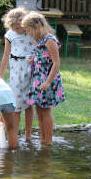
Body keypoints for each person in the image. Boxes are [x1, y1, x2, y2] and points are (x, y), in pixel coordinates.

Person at [21, 12, 65, 145]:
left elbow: (56, 63)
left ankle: (49, 141)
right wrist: (34, 59)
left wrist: (47, 82)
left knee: (45, 112)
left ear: (36, 26)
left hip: (47, 81)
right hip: (38, 80)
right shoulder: (40, 40)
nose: (28, 33)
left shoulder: (49, 40)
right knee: (39, 111)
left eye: (28, 30)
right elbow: (43, 56)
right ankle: (42, 140)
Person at [0, 7, 36, 141]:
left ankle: (28, 135)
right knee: (16, 104)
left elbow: (40, 48)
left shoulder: (31, 32)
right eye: (13, 27)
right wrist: (1, 76)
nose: (16, 29)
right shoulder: (10, 35)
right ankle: (13, 135)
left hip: (30, 70)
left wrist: (36, 58)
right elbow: (5, 55)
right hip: (16, 71)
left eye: (18, 27)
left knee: (29, 104)